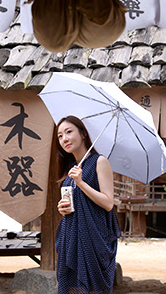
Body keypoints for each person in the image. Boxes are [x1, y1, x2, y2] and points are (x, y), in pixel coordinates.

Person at [54, 115, 121, 294]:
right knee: (71, 289)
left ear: (83, 133)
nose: (64, 139)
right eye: (60, 136)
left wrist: (81, 183)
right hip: (72, 238)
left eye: (69, 132)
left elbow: (108, 203)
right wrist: (63, 209)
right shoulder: (72, 168)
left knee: (93, 290)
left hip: (93, 239)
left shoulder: (100, 161)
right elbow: (78, 204)